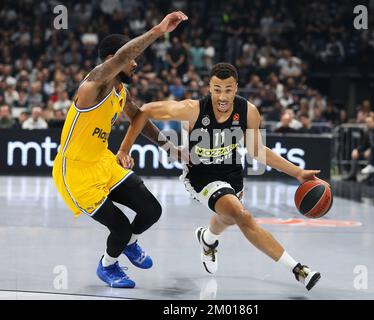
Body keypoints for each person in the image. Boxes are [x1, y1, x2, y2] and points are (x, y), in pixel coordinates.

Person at [119, 63, 323, 291]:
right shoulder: (192, 109)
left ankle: (207, 238)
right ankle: (299, 270)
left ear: (236, 88)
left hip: (232, 174)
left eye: (228, 89)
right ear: (209, 87)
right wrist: (125, 148)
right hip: (201, 176)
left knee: (228, 217)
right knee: (241, 215)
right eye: (217, 89)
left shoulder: (249, 112)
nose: (222, 96)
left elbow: (257, 151)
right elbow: (145, 110)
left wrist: (297, 172)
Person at [52, 11, 188, 288]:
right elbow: (124, 56)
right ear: (114, 60)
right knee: (120, 227)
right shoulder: (93, 85)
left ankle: (129, 243)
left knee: (152, 210)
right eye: (131, 59)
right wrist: (159, 30)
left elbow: (140, 118)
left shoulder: (120, 92)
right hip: (76, 172)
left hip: (103, 162)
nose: (135, 64)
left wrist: (170, 148)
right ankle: (108, 266)